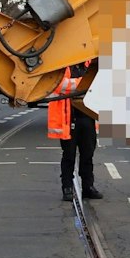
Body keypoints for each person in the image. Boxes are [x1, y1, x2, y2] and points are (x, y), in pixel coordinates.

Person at [48, 62, 103, 202]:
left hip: (88, 119)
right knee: (69, 156)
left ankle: (88, 187)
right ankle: (67, 187)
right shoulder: (63, 66)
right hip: (69, 120)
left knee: (88, 155)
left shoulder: (91, 64)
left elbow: (99, 85)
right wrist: (85, 84)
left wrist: (79, 85)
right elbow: (61, 85)